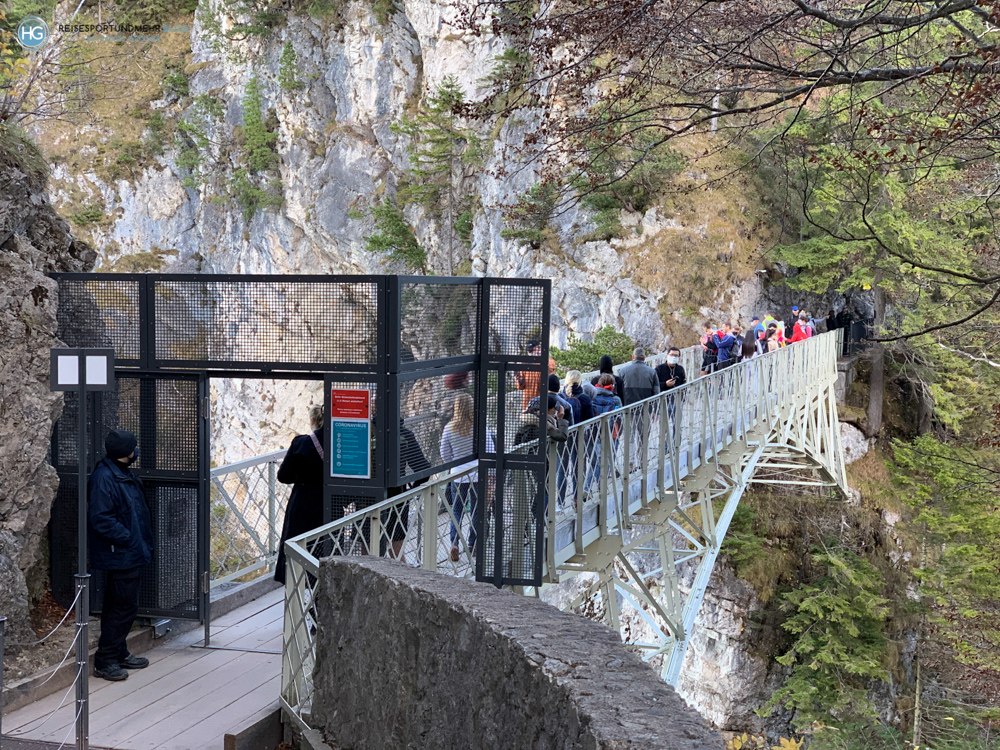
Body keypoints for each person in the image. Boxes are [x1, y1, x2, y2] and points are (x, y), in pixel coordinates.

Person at [89, 429, 153, 681]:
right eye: (134, 448)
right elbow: (101, 518)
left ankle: (118, 651)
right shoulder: (105, 478)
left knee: (121, 605)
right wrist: (127, 538)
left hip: (128, 551)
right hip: (121, 553)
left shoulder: (120, 473)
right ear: (127, 453)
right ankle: (105, 660)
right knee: (121, 607)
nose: (136, 452)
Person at [275, 405, 326, 585]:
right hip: (329, 503)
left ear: (313, 421)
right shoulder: (341, 443)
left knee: (297, 549)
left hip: (302, 504)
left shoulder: (301, 443)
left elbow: (283, 476)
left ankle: (297, 598)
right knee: (325, 550)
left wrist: (302, 476)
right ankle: (320, 599)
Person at [440, 393, 494, 562]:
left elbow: (444, 455)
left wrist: (455, 464)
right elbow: (490, 451)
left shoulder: (449, 428)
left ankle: (454, 543)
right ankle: (473, 543)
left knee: (456, 510)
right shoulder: (480, 427)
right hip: (478, 475)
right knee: (477, 510)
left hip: (458, 476)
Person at [383, 422, 431, 559]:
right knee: (396, 553)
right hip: (397, 497)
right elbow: (423, 468)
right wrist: (411, 492)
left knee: (368, 550)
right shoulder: (404, 434)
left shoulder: (366, 432)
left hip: (368, 498)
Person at [514, 339, 544, 411]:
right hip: (527, 404)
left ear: (539, 348)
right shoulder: (524, 365)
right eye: (528, 351)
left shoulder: (545, 362)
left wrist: (540, 357)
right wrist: (519, 379)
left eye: (531, 351)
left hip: (542, 404)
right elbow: (520, 387)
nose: (530, 353)